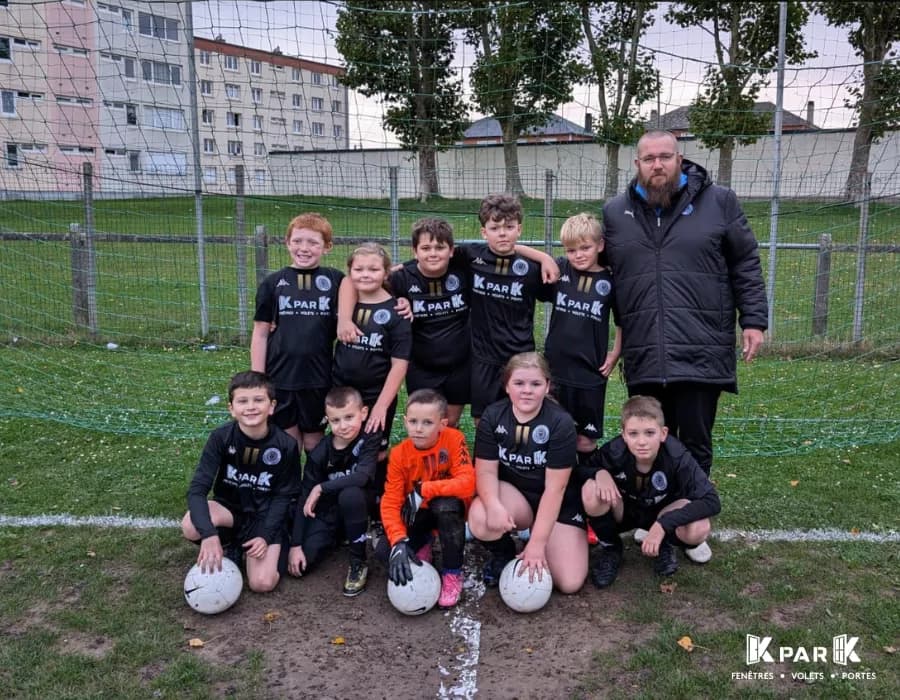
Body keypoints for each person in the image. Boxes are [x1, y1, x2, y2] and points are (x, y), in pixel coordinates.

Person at [602, 130, 766, 562]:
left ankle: (686, 522)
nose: (657, 164)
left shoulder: (720, 202)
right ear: (636, 165)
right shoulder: (615, 214)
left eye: (665, 157)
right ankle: (651, 518)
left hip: (701, 346)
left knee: (693, 443)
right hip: (644, 351)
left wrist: (754, 320)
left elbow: (745, 261)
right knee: (647, 442)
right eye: (648, 158)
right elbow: (592, 267)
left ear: (680, 160)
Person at [467, 352, 587, 594]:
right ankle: (504, 551)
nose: (527, 390)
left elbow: (556, 489)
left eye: (535, 384)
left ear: (547, 386)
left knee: (569, 582)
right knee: (481, 518)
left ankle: (541, 535)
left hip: (557, 504)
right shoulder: (493, 416)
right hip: (516, 497)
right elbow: (486, 472)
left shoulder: (560, 423)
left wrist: (537, 545)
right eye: (519, 383)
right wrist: (493, 505)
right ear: (507, 386)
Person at [581, 396, 721, 588]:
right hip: (624, 512)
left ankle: (663, 544)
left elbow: (712, 500)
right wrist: (599, 472)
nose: (642, 442)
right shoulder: (614, 450)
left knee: (699, 528)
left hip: (661, 513)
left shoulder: (677, 455)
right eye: (633, 434)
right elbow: (578, 471)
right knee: (591, 490)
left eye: (649, 433)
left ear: (663, 434)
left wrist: (663, 525)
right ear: (623, 435)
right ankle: (611, 548)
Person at [182, 371, 301, 593]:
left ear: (272, 406)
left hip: (265, 517)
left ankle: (273, 544)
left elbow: (284, 496)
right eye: (242, 401)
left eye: (258, 400)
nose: (251, 407)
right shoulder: (220, 437)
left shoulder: (286, 445)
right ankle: (230, 544)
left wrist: (265, 535)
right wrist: (208, 534)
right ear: (231, 408)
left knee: (262, 583)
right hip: (231, 512)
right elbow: (197, 491)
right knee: (191, 525)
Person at [457, 193, 557, 424]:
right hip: (484, 358)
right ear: (484, 232)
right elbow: (433, 258)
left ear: (519, 229)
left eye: (509, 227)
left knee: (523, 417)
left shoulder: (532, 269)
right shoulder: (470, 256)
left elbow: (561, 297)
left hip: (520, 356)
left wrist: (544, 258)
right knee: (482, 421)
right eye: (495, 228)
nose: (502, 233)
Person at [251, 213, 343, 455]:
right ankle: (288, 493)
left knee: (314, 444)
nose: (305, 248)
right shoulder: (272, 283)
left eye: (313, 242)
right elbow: (260, 333)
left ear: (327, 247)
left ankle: (314, 491)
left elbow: (372, 281)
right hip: (281, 378)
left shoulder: (336, 281)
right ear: (287, 242)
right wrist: (258, 379)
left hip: (318, 379)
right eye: (298, 241)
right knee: (288, 445)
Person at [378, 389, 476, 608]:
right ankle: (424, 540)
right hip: (417, 514)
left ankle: (452, 572)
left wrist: (424, 489)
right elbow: (391, 501)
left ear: (442, 424)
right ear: (404, 422)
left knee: (446, 506)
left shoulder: (454, 439)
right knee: (384, 553)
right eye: (413, 421)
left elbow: (468, 483)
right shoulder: (399, 453)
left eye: (427, 423)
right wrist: (398, 541)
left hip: (446, 509)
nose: (418, 429)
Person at [332, 242, 412, 494]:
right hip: (342, 391)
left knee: (375, 451)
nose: (365, 274)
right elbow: (346, 282)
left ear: (385, 273)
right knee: (343, 442)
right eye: (359, 269)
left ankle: (376, 503)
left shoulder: (397, 312)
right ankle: (344, 495)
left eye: (373, 269)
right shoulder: (347, 301)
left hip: (376, 396)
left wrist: (381, 406)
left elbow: (400, 365)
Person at [544, 213, 622, 466]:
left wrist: (615, 352)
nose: (578, 255)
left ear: (600, 246)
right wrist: (544, 256)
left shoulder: (611, 281)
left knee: (584, 440)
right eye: (571, 250)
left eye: (585, 248)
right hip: (555, 371)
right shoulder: (560, 269)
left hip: (589, 373)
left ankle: (585, 491)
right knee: (553, 435)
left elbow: (622, 322)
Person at [287, 386, 380, 597]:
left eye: (349, 417)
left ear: (363, 414)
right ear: (327, 420)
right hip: (330, 511)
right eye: (335, 420)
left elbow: (362, 476)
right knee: (301, 566)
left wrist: (322, 487)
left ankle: (358, 561)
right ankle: (337, 535)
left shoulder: (370, 437)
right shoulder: (320, 452)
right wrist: (296, 545)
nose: (343, 426)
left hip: (365, 502)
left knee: (350, 494)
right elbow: (305, 494)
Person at [386, 218, 472, 428]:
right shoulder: (401, 278)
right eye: (425, 248)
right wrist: (398, 299)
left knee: (449, 422)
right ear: (415, 251)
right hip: (421, 366)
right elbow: (363, 280)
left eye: (440, 247)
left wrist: (544, 258)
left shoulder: (463, 270)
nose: (433, 253)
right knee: (424, 424)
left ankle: (449, 459)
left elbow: (500, 249)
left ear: (451, 251)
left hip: (459, 365)